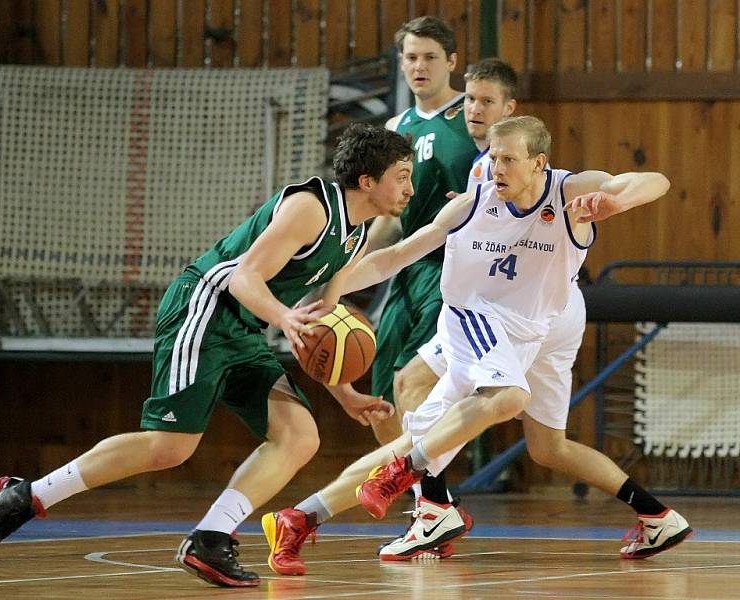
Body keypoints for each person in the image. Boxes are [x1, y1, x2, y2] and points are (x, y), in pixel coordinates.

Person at [0, 123, 411, 588]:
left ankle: (210, 538)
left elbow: (323, 327)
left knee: (299, 436)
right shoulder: (311, 208)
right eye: (401, 176)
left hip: (243, 326)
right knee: (168, 448)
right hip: (203, 307)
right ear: (367, 181)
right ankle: (26, 496)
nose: (409, 188)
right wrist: (282, 317)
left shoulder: (355, 236)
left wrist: (344, 393)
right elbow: (243, 278)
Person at [261, 115, 691, 575]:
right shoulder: (471, 203)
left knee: (435, 440)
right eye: (491, 156)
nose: (495, 167)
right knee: (507, 397)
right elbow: (394, 257)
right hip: (473, 319)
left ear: (539, 163)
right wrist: (329, 286)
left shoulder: (568, 194)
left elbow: (654, 180)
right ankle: (411, 483)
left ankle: (300, 518)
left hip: (528, 334)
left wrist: (611, 202)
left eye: (508, 159)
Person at [330, 17, 499, 560]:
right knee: (382, 394)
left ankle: (434, 506)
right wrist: (354, 261)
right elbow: (392, 217)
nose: (419, 67)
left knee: (414, 385)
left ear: (451, 61)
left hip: (455, 267)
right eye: (410, 58)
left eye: (429, 56)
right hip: (406, 266)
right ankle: (430, 503)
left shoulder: (472, 118)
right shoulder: (400, 127)